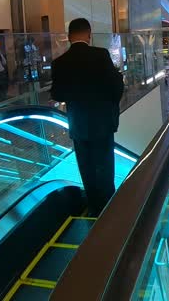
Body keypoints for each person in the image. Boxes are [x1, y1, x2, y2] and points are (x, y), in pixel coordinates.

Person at [51, 18, 124, 216]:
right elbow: (116, 87)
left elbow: (56, 95)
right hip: (102, 124)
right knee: (105, 167)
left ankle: (93, 208)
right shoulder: (101, 55)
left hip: (79, 124)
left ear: (68, 37)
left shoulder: (59, 63)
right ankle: (109, 210)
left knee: (87, 168)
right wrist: (110, 105)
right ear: (89, 35)